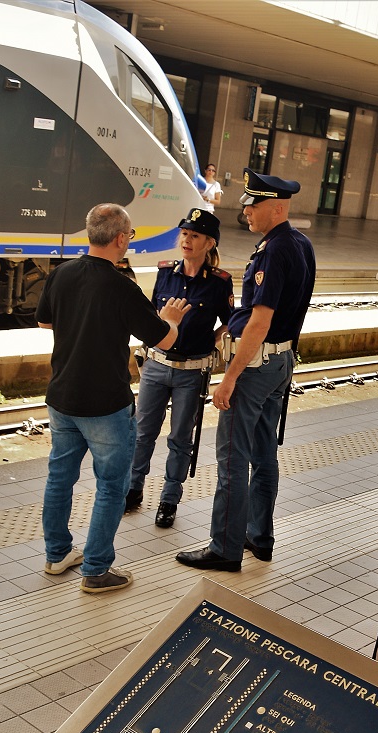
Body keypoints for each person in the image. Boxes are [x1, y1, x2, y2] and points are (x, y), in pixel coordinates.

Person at [37, 204, 189, 593]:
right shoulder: (123, 287)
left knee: (60, 477)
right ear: (121, 239)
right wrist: (171, 317)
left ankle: (57, 555)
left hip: (62, 397)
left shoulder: (61, 274)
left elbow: (45, 321)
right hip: (105, 404)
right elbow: (166, 340)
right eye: (131, 236)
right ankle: (97, 570)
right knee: (111, 485)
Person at [177, 169, 316, 573]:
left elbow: (260, 320)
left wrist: (231, 375)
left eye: (253, 206)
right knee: (263, 452)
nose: (246, 213)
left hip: (256, 364)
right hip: (280, 361)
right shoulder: (301, 244)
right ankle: (259, 536)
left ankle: (225, 547)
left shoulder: (273, 250)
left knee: (233, 458)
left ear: (275, 207)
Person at [126, 209, 233, 527]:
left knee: (180, 438)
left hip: (191, 371)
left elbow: (231, 323)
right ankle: (132, 490)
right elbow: (154, 315)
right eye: (184, 234)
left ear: (209, 243)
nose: (187, 240)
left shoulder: (218, 283)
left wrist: (213, 340)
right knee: (142, 432)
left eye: (195, 235)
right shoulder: (165, 272)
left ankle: (169, 500)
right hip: (157, 366)